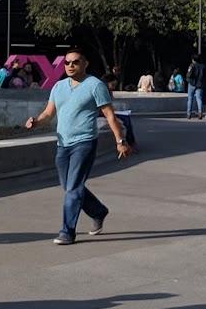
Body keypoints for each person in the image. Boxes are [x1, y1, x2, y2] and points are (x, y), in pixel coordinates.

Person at [24, 50, 131, 244]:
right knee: (69, 186)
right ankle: (98, 211)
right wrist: (36, 121)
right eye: (67, 62)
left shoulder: (95, 85)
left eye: (75, 62)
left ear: (85, 63)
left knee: (72, 188)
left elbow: (109, 115)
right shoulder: (59, 86)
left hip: (84, 143)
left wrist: (120, 141)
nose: (70, 66)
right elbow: (48, 113)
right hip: (63, 144)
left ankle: (67, 232)